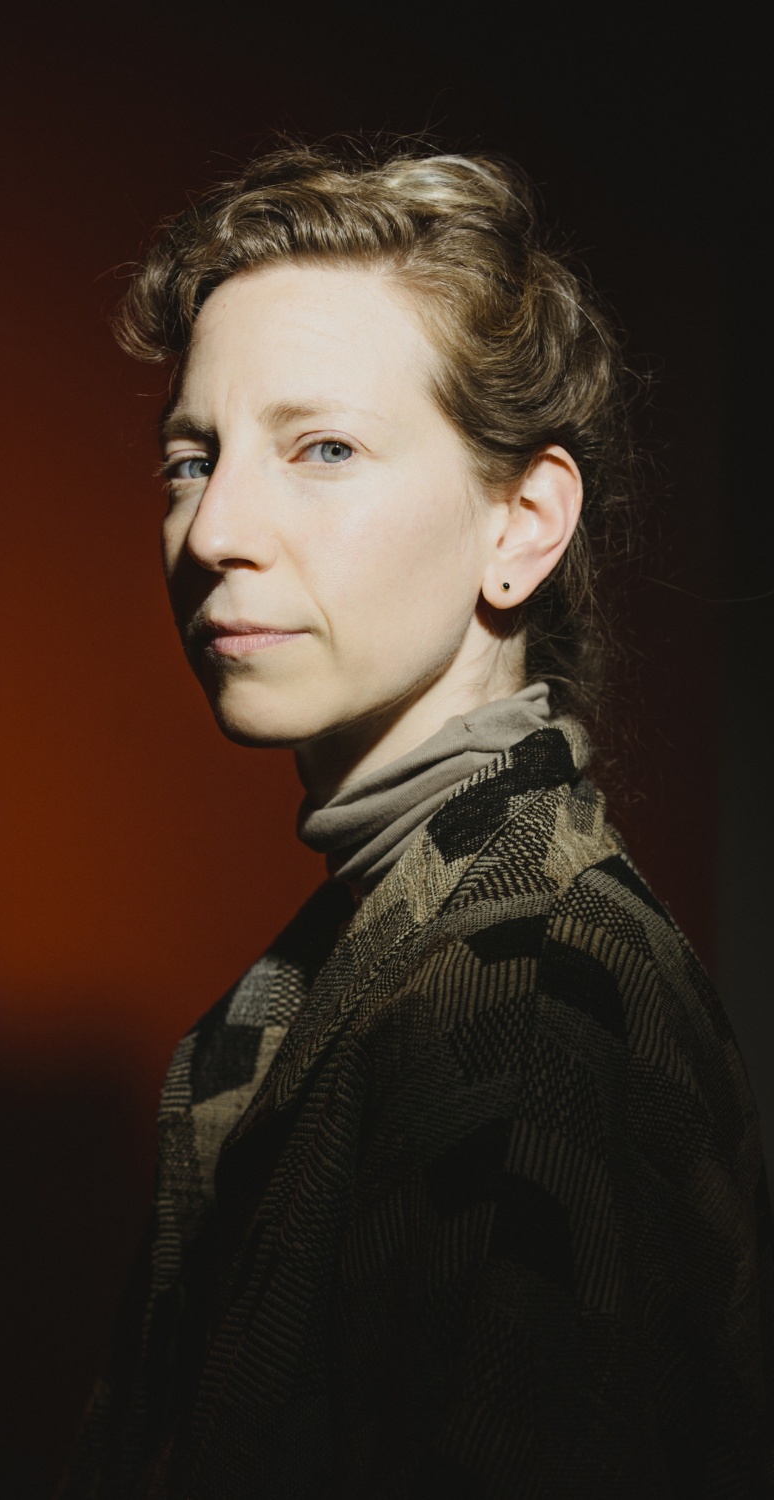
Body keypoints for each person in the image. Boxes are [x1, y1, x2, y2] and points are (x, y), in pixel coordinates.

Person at [60, 141, 773, 1497]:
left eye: (323, 448)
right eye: (191, 459)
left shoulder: (527, 988)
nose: (213, 530)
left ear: (522, 524)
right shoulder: (387, 946)